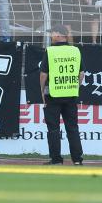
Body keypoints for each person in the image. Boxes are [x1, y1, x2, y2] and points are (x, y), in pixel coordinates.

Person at [39, 24, 84, 166]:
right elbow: (81, 73)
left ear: (59, 34)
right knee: (73, 128)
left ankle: (56, 160)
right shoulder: (75, 50)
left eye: (52, 33)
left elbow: (43, 74)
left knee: (53, 129)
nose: (51, 35)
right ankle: (77, 159)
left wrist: (41, 92)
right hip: (71, 95)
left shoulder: (50, 51)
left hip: (53, 95)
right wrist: (75, 87)